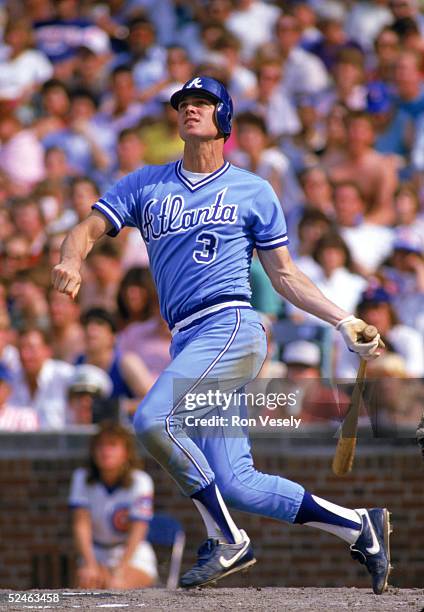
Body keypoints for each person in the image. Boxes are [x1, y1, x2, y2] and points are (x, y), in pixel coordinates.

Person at [53, 76, 390, 594]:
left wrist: (343, 320)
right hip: (188, 338)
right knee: (237, 483)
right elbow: (86, 230)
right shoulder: (147, 183)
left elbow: (285, 276)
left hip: (232, 325)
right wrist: (70, 260)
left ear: (224, 117)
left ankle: (227, 539)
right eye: (184, 103)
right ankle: (358, 526)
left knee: (152, 420)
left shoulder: (254, 189)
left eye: (203, 103)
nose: (190, 109)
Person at [69, 421, 157, 588]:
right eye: (100, 446)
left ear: (126, 452)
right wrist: (90, 564)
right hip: (96, 551)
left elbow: (139, 529)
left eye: (113, 445)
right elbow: (81, 524)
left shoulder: (141, 481)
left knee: (117, 586)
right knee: (86, 584)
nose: (105, 451)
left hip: (132, 554)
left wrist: (121, 568)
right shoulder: (82, 478)